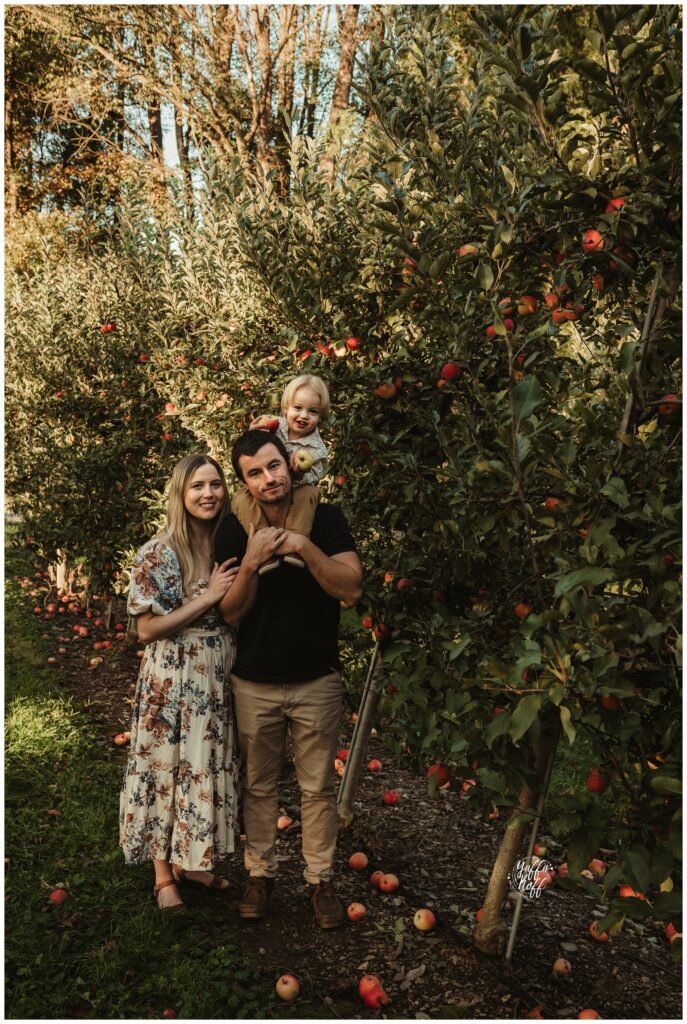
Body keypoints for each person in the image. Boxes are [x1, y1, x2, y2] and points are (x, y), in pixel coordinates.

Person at [214, 429, 363, 928]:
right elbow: (231, 614)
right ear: (245, 483)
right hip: (254, 681)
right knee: (258, 786)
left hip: (316, 678)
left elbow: (351, 587)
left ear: (291, 465)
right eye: (254, 473)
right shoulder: (234, 529)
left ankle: (319, 881)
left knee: (317, 789)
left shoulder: (325, 517)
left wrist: (302, 545)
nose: (268, 478)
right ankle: (261, 874)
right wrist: (253, 564)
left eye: (274, 466)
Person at [119, 454, 240, 911]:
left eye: (215, 485)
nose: (208, 494)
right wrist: (208, 596)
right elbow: (146, 629)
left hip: (216, 671)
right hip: (173, 674)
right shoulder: (161, 550)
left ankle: (192, 861)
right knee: (166, 765)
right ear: (181, 494)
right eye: (197, 486)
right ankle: (162, 874)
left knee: (204, 762)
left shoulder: (229, 545)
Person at [231, 374, 329, 573]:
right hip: (270, 489)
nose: (303, 416)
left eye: (313, 412)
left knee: (308, 495)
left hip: (297, 488)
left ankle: (293, 547)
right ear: (286, 408)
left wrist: (300, 472)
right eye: (297, 408)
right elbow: (253, 446)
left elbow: (316, 475)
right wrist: (253, 432)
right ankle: (263, 544)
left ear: (320, 416)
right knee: (241, 498)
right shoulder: (274, 424)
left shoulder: (317, 450)